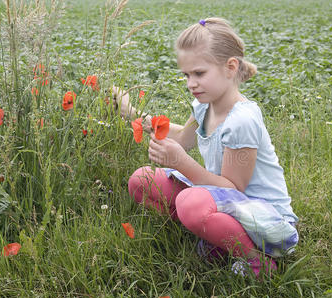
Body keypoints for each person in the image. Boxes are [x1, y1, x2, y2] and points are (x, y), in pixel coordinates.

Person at [112, 17, 298, 278]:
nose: (191, 83)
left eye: (199, 73)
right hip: (227, 203)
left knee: (190, 201)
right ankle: (218, 239)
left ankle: (258, 262)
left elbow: (233, 188)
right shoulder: (205, 106)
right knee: (141, 181)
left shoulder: (241, 120)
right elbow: (181, 138)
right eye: (186, 75)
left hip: (268, 223)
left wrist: (180, 162)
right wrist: (132, 113)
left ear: (230, 68)